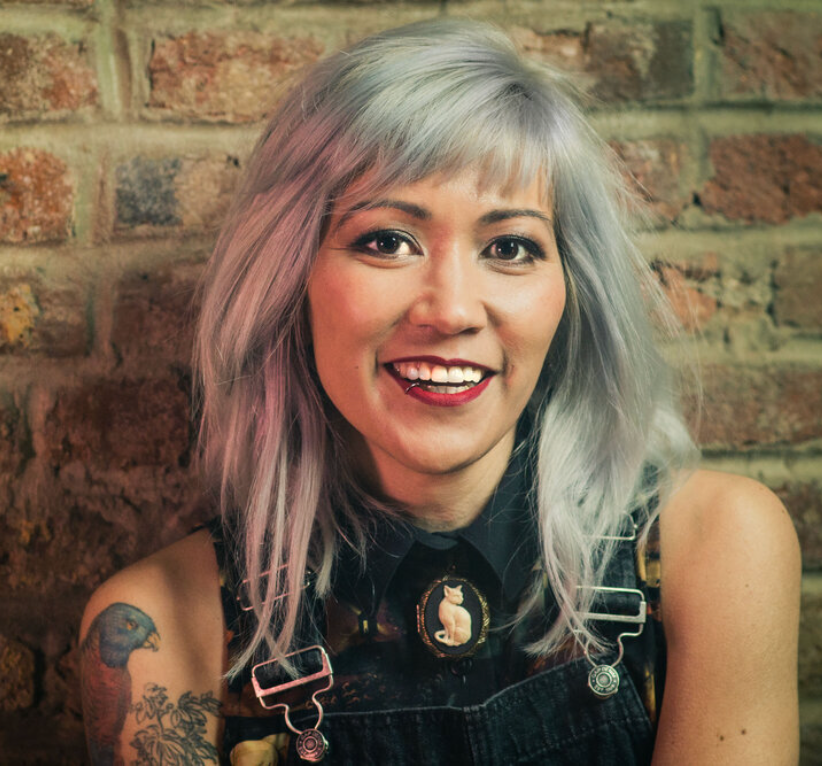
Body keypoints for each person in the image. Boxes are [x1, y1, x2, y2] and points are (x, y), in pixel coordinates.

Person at [80, 18, 800, 765]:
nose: (451, 310)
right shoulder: (159, 627)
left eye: (510, 247)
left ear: (569, 294)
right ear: (289, 279)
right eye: (387, 240)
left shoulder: (713, 550)